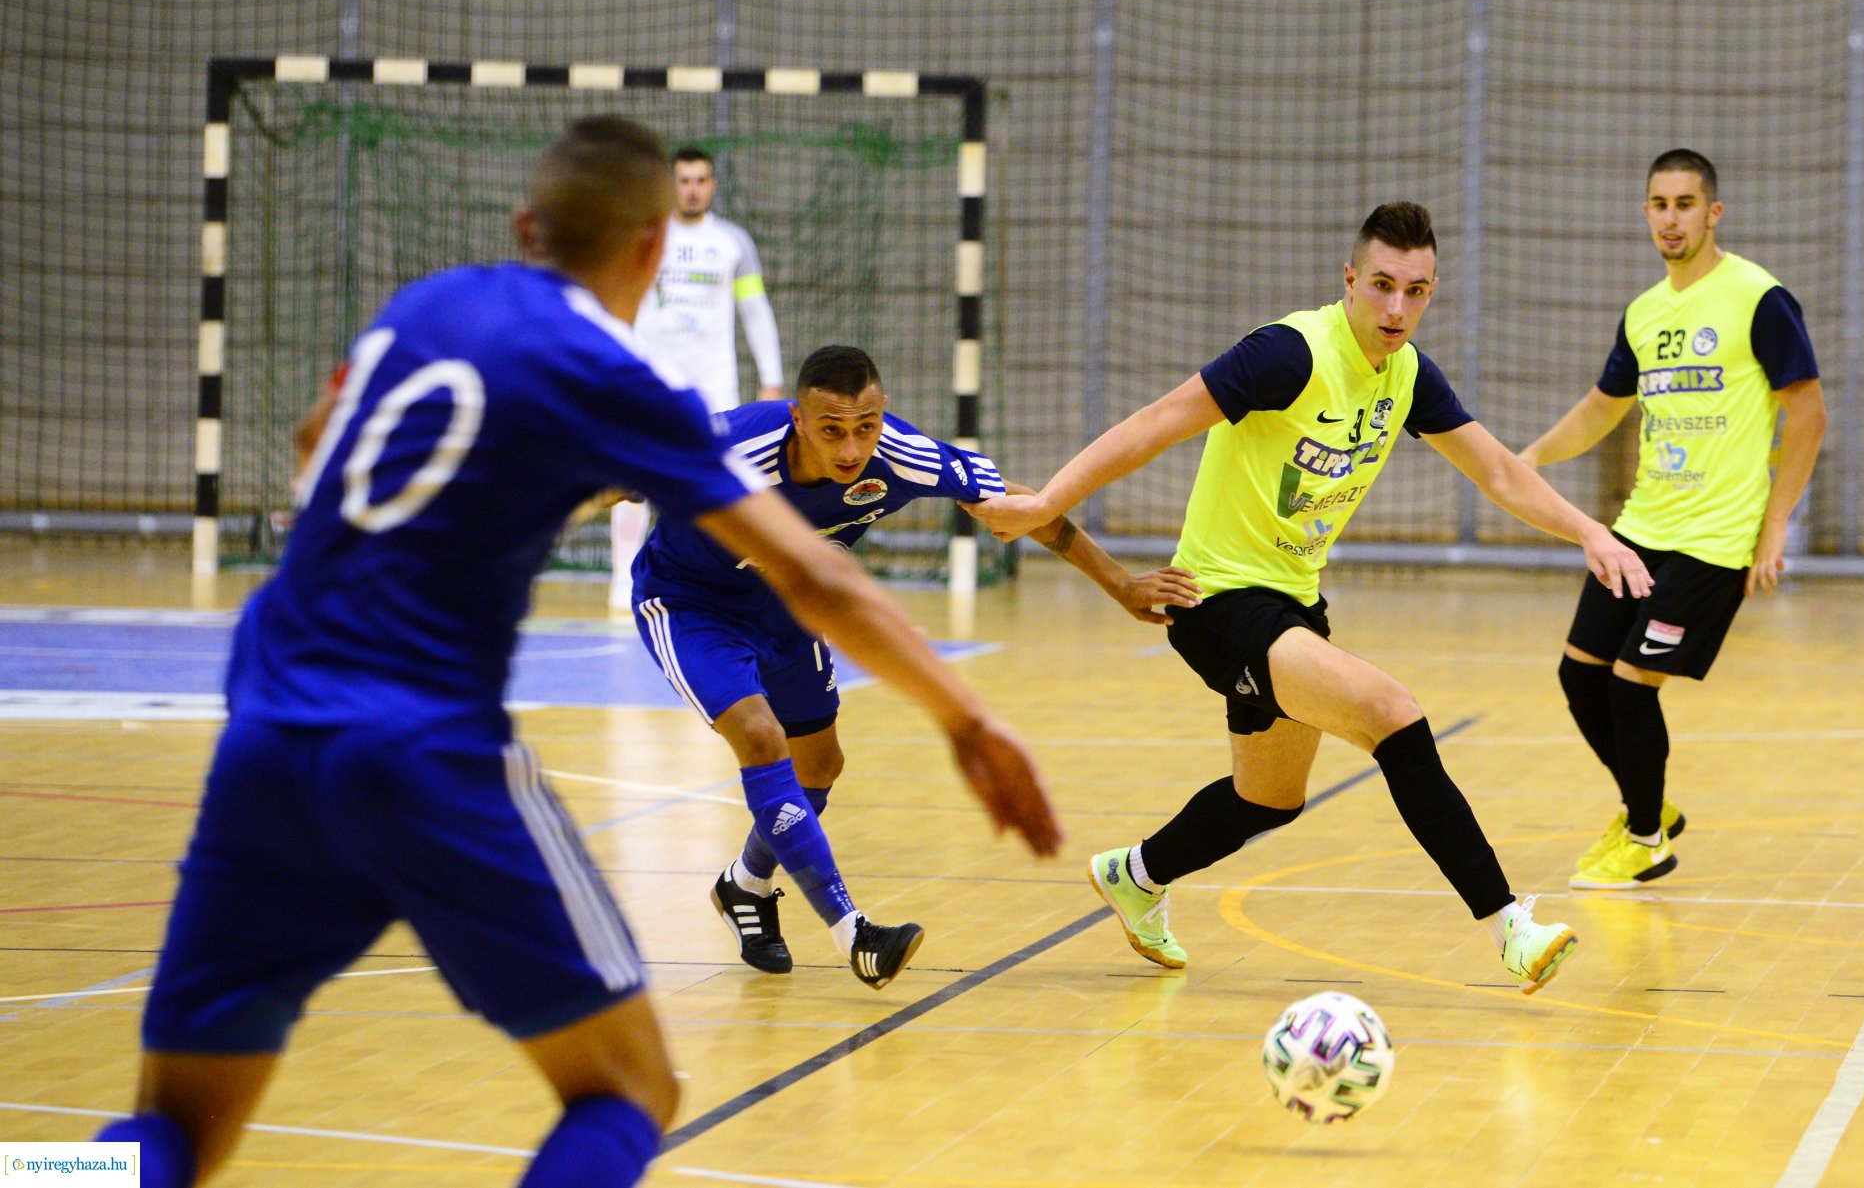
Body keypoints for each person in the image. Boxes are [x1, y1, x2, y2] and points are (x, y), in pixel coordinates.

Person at [93, 117, 1061, 1188]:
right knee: (630, 1089)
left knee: (170, 1127)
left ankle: (36, 1173)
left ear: (527, 227)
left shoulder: (422, 308)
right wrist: (968, 718)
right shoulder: (616, 382)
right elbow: (819, 579)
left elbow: (314, 444)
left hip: (264, 733)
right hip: (423, 750)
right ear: (655, 247)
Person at [974, 202, 1654, 994]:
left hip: (1293, 601)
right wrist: (1046, 500)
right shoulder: (1288, 353)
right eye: (1383, 285)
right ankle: (1510, 926)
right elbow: (1158, 422)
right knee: (1391, 711)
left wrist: (1590, 533)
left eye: (1416, 291)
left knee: (1269, 798)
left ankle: (1137, 873)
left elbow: (1499, 470)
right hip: (1216, 599)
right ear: (1349, 280)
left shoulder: (1407, 375)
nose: (1397, 307)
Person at [634, 343, 1200, 984]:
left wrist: (1119, 582)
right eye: (831, 430)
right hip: (691, 605)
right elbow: (632, 459)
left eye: (866, 427)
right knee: (761, 736)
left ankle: (745, 884)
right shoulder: (737, 446)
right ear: (797, 419)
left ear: (883, 413)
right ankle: (855, 933)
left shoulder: (902, 456)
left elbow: (1021, 506)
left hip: (790, 601)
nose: (851, 449)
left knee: (819, 765)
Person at [1518, 149, 1824, 890]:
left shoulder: (1758, 297)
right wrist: (1529, 457)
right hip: (1642, 528)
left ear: (1713, 213)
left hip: (1715, 540)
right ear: (1646, 213)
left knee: (1631, 685)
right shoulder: (1645, 313)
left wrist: (1775, 525)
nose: (1671, 218)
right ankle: (1647, 804)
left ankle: (1646, 839)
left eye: (1686, 204)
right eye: (1659, 204)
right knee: (1579, 675)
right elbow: (1602, 407)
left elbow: (1808, 412)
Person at [609, 146, 786, 612]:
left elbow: (755, 310)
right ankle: (623, 580)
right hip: (649, 383)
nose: (692, 189)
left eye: (701, 180)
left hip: (713, 387)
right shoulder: (646, 237)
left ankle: (716, 579)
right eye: (684, 180)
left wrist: (770, 377)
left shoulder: (733, 243)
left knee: (717, 480)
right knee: (633, 477)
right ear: (672, 185)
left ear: (712, 185)